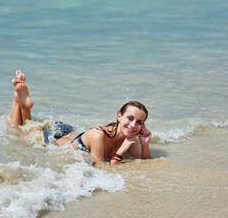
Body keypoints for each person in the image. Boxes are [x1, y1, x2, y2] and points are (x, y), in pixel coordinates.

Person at [9, 70, 152, 165]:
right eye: (130, 118)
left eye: (139, 122)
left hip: (71, 133)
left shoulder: (130, 137)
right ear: (119, 116)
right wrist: (121, 151)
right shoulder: (99, 135)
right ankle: (18, 98)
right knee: (17, 131)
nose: (133, 125)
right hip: (53, 138)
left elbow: (144, 162)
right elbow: (101, 168)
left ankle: (21, 97)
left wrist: (144, 143)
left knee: (24, 128)